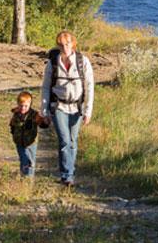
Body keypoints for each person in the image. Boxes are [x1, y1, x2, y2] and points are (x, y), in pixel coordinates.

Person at [40, 30, 94, 187]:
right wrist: (44, 110)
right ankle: (67, 175)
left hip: (76, 107)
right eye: (61, 45)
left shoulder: (83, 62)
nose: (65, 47)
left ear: (73, 44)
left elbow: (90, 87)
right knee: (64, 140)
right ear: (58, 45)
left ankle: (69, 171)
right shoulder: (53, 63)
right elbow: (45, 87)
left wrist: (88, 111)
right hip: (58, 106)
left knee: (72, 141)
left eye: (67, 44)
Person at [8, 91, 43, 177]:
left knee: (30, 161)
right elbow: (12, 125)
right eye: (21, 106)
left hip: (31, 142)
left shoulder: (34, 115)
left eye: (26, 106)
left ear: (30, 104)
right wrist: (13, 133)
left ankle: (29, 178)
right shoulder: (16, 114)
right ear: (18, 104)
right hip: (19, 142)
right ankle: (23, 175)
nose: (23, 108)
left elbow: (42, 124)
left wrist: (44, 121)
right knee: (23, 159)